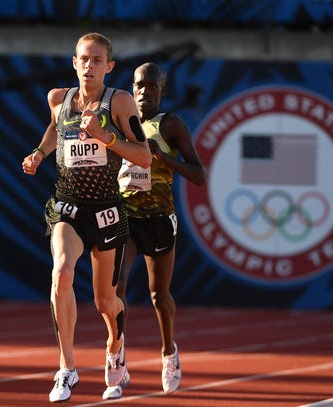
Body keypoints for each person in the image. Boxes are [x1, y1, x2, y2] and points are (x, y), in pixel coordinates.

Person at [21, 32, 151, 402]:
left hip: (107, 211)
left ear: (109, 67)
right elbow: (54, 129)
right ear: (74, 63)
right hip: (67, 206)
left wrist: (105, 137)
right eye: (84, 59)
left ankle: (116, 347)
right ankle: (67, 368)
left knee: (105, 303)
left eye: (97, 60)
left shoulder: (120, 102)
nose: (89, 65)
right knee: (61, 272)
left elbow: (144, 157)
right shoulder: (58, 99)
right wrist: (39, 153)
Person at [117, 62, 206, 394]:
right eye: (139, 85)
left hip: (159, 219)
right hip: (127, 218)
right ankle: (117, 354)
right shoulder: (120, 121)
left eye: (152, 86)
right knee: (116, 288)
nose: (144, 92)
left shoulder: (171, 125)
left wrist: (163, 158)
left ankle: (169, 351)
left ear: (162, 90)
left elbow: (199, 175)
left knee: (158, 295)